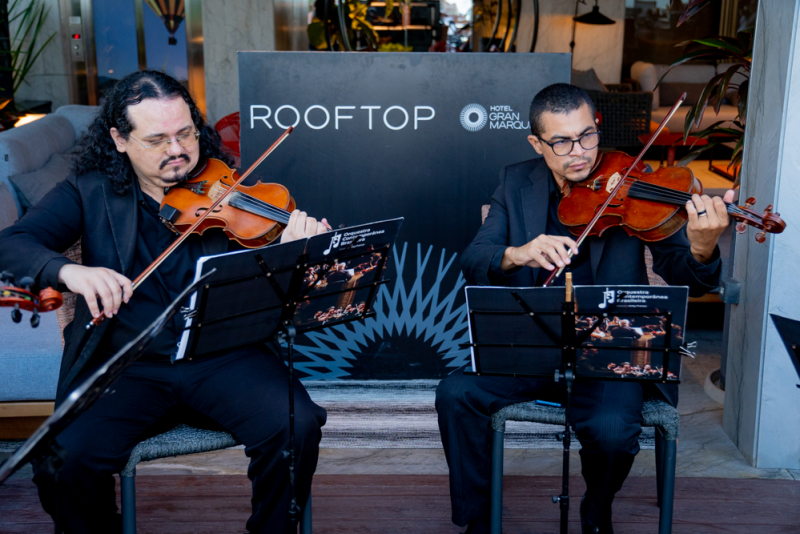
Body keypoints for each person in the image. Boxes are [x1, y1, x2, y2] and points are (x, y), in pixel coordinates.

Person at [0, 70, 329, 534]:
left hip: (225, 357)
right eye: (157, 139)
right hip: (127, 363)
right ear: (119, 139)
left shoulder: (233, 191)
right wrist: (70, 270)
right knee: (61, 460)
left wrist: (301, 250)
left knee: (297, 426)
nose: (177, 150)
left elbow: (294, 291)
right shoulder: (88, 192)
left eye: (185, 133)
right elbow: (12, 244)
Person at [435, 83, 733, 534]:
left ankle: (597, 507)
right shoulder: (515, 181)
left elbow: (683, 271)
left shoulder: (638, 183)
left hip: (611, 354)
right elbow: (475, 259)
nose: (580, 153)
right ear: (537, 143)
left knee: (614, 433)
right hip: (533, 348)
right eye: (561, 142)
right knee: (456, 395)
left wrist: (703, 248)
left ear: (596, 125)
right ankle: (478, 518)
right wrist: (519, 252)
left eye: (587, 135)